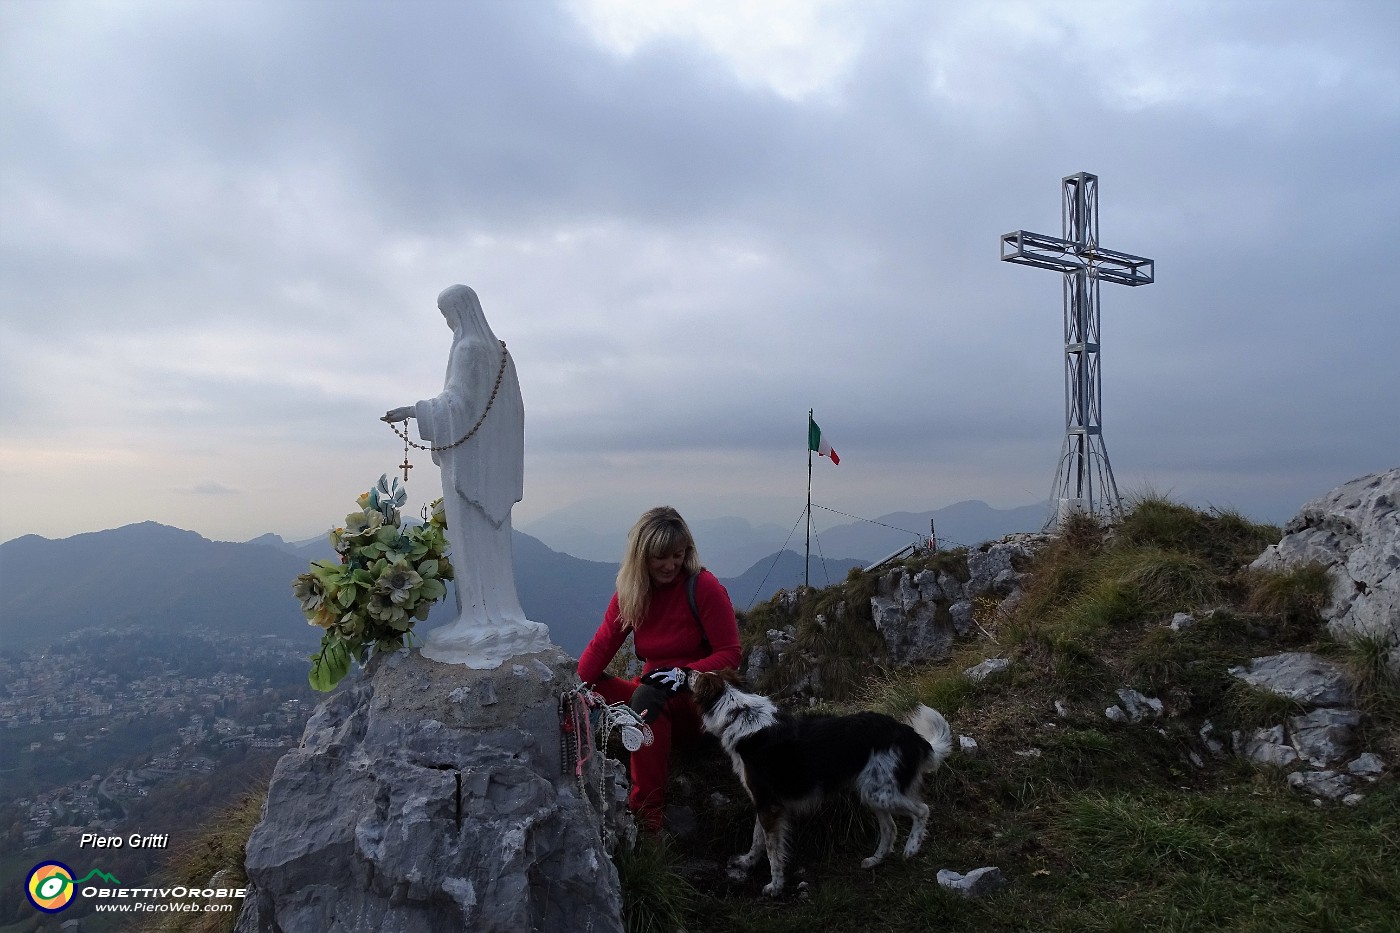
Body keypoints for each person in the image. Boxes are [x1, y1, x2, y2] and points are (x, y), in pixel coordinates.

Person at [382, 284, 551, 668]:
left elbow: (457, 404)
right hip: (493, 468)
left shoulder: (468, 350)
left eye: (447, 314)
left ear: (459, 310)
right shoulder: (501, 352)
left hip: (470, 466)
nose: (447, 322)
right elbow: (511, 413)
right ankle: (499, 610)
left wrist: (413, 410)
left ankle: (479, 615)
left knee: (470, 542)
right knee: (494, 544)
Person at [577, 506, 742, 832]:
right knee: (592, 687)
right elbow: (600, 648)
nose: (670, 565)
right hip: (650, 699)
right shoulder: (633, 593)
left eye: (677, 555)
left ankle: (648, 817)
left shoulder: (703, 587)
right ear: (642, 557)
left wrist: (683, 674)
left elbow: (729, 654)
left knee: (648, 696)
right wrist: (572, 689)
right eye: (660, 558)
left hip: (698, 707)